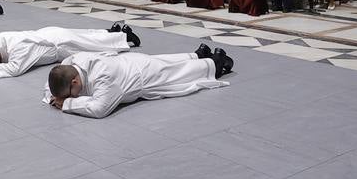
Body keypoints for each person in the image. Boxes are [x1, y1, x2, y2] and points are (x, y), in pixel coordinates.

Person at [45, 46, 233, 118]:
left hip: (143, 76)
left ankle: (216, 63)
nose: (68, 97)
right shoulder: (71, 63)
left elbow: (99, 109)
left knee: (177, 74)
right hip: (130, 61)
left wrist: (68, 103)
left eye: (70, 93)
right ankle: (198, 54)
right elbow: (52, 82)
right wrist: (54, 96)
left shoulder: (103, 76)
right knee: (165, 60)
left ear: (75, 82)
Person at [0, 23, 141, 78]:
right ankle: (114, 31)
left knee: (94, 46)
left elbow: (15, 69)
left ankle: (125, 37)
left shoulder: (19, 47)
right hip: (49, 34)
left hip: (60, 44)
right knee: (87, 36)